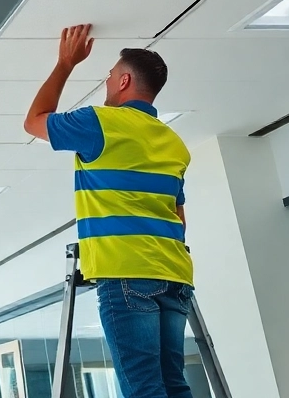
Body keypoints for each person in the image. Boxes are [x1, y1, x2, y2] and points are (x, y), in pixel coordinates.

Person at [23, 25, 195, 398]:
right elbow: (177, 213)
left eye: (110, 75)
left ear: (124, 81)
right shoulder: (175, 142)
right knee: (173, 382)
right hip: (175, 273)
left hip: (126, 271)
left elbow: (34, 120)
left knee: (144, 387)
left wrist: (65, 64)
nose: (107, 83)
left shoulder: (100, 122)